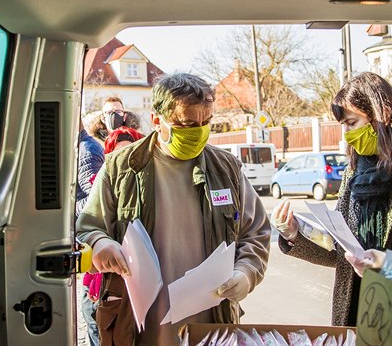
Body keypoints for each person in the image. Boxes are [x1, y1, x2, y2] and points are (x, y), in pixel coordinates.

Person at [76, 73, 271, 346]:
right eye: (187, 124)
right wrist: (100, 243)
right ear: (158, 121)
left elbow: (257, 232)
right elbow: (89, 225)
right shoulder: (121, 166)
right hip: (138, 329)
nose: (198, 131)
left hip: (211, 328)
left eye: (206, 123)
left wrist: (247, 272)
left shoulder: (226, 169)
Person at [271, 72, 392, 327]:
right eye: (344, 126)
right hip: (354, 316)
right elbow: (342, 253)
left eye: (352, 123)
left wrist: (389, 264)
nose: (347, 135)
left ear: (382, 115)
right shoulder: (355, 173)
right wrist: (295, 235)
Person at [80, 126, 145, 343]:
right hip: (107, 285)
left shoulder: (146, 185)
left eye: (129, 151)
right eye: (118, 152)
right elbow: (89, 227)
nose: (124, 158)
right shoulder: (104, 180)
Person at [76, 120, 105, 346]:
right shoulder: (82, 148)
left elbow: (93, 201)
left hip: (94, 248)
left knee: (92, 313)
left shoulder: (87, 151)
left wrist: (65, 207)